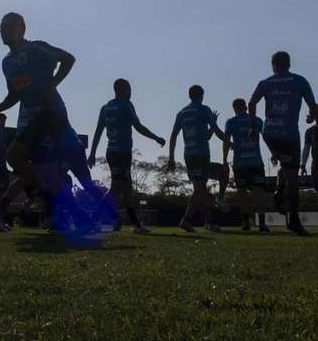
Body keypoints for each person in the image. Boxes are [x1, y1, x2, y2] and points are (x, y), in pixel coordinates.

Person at [0, 12, 72, 232]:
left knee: (16, 157)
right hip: (31, 120)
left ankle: (54, 208)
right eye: (1, 27)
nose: (2, 30)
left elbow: (68, 59)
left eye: (8, 26)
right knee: (35, 171)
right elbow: (13, 96)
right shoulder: (7, 63)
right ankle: (6, 211)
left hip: (51, 115)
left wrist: (53, 83)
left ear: (21, 28)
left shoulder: (36, 48)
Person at [248, 51, 317, 236]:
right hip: (289, 134)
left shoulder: (265, 83)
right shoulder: (300, 81)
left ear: (273, 65)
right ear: (289, 64)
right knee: (293, 179)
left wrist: (254, 128)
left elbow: (252, 102)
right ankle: (293, 220)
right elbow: (313, 106)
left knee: (286, 167)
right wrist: (311, 116)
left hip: (269, 134)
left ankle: (279, 191)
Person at [87, 78, 165, 234]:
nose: (131, 92)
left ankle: (135, 225)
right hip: (121, 153)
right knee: (115, 189)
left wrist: (93, 153)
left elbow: (98, 131)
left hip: (112, 152)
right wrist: (156, 137)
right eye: (129, 89)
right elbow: (138, 126)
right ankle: (92, 220)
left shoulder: (105, 107)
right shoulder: (125, 105)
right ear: (121, 89)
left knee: (127, 190)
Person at [168, 85, 227, 233]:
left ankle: (207, 222)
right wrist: (230, 142)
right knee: (204, 185)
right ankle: (188, 220)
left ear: (190, 96)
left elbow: (174, 136)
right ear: (202, 95)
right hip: (201, 155)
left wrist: (171, 157)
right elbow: (218, 132)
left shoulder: (181, 113)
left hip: (189, 155)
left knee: (199, 190)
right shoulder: (204, 109)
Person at [222, 98, 270, 233]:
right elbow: (266, 136)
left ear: (234, 108)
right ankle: (262, 223)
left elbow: (226, 141)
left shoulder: (231, 122)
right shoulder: (256, 119)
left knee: (242, 191)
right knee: (259, 191)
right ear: (246, 107)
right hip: (256, 162)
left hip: (240, 163)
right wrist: (274, 153)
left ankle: (245, 222)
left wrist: (224, 160)